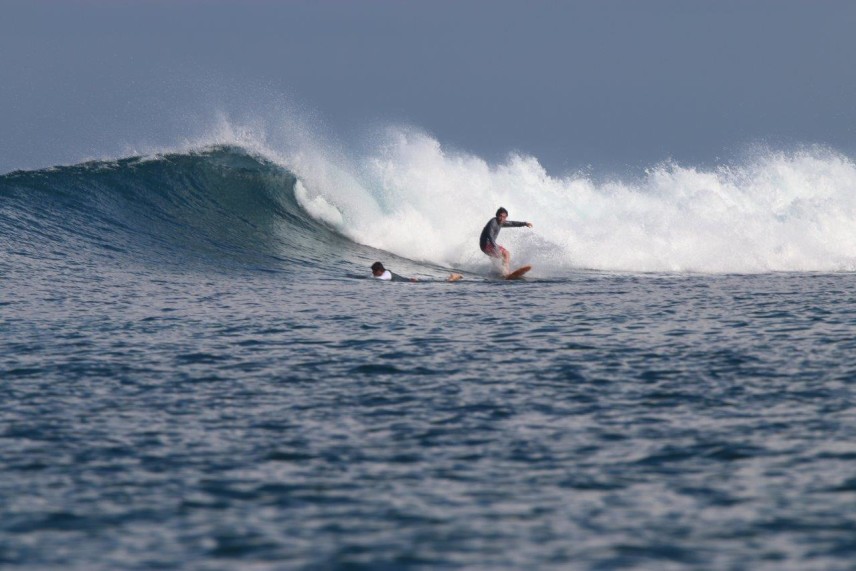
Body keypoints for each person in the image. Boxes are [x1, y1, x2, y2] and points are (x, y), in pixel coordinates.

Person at [479, 207, 533, 275]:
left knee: (502, 257)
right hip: (486, 244)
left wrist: (525, 224)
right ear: (497, 215)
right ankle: (506, 272)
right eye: (500, 216)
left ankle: (500, 271)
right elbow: (490, 236)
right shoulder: (493, 222)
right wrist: (496, 247)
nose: (502, 218)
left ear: (506, 217)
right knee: (506, 253)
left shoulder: (501, 222)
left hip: (487, 245)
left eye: (504, 217)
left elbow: (513, 223)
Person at [371, 262, 462, 282]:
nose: (373, 273)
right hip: (411, 281)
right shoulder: (386, 272)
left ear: (379, 271)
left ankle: (453, 278)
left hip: (412, 282)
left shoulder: (386, 274)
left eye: (374, 272)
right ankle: (451, 278)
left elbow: (381, 279)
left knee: (437, 282)